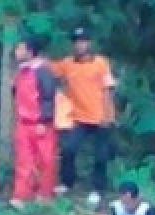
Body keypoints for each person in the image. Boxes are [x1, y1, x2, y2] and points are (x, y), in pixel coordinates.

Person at [52, 28, 117, 206]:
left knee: (101, 155)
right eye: (76, 41)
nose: (80, 45)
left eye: (83, 41)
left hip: (100, 117)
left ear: (88, 43)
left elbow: (108, 89)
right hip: (79, 117)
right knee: (69, 149)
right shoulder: (67, 64)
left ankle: (98, 189)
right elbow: (48, 70)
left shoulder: (100, 63)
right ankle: (67, 182)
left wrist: (107, 114)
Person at [10, 35, 58, 207]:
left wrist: (43, 120)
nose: (17, 52)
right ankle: (21, 195)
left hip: (40, 123)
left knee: (46, 160)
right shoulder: (21, 71)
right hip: (24, 123)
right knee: (24, 161)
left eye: (20, 48)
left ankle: (45, 194)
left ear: (30, 51)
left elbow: (48, 97)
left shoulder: (43, 70)